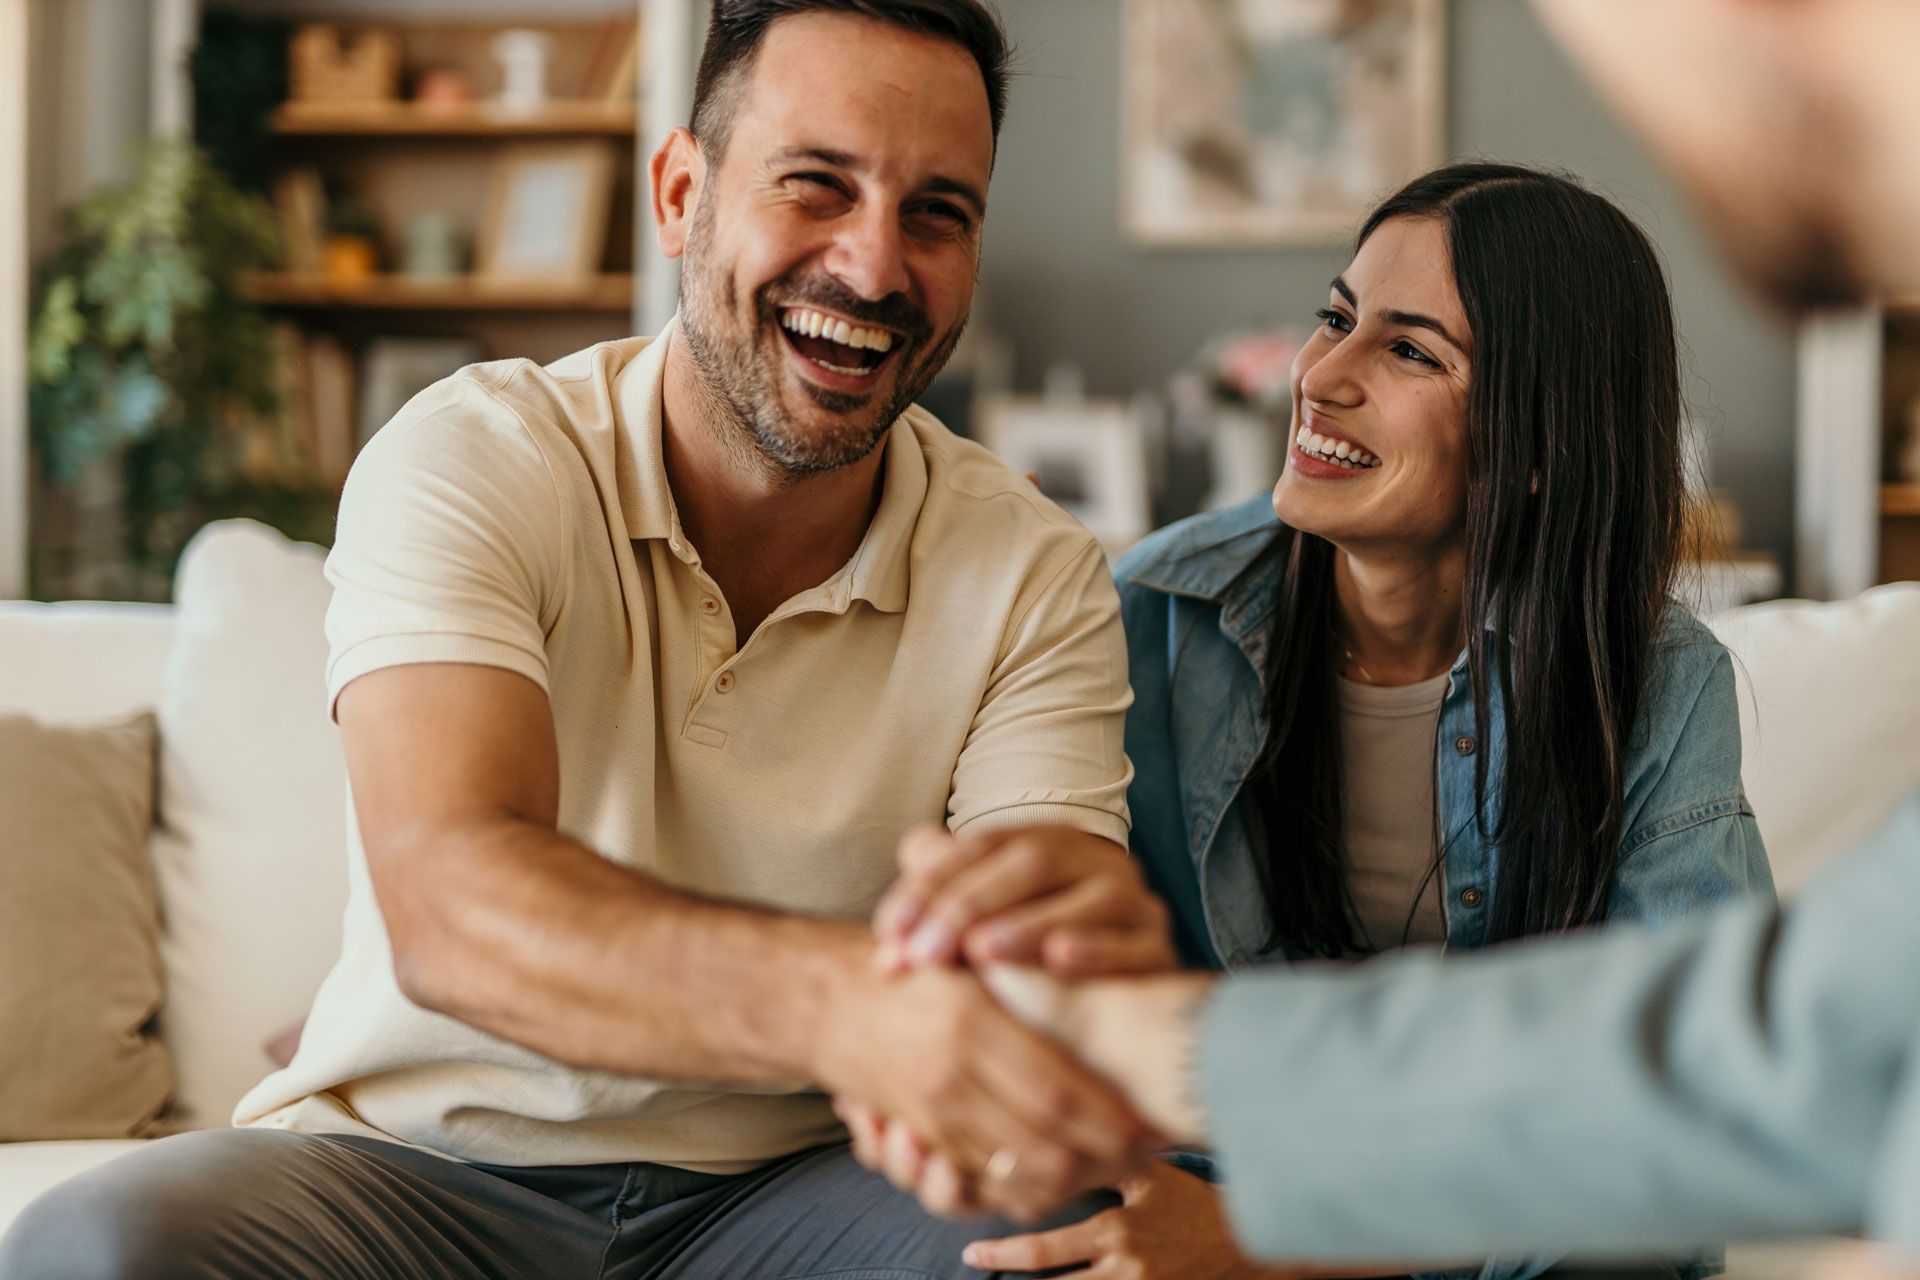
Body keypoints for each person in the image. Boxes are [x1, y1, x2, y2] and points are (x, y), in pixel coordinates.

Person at [0, 2, 1182, 1276]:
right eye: (815, 186)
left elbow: (1032, 962)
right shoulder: (473, 455)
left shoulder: (1034, 569)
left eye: (937, 212)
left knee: (1064, 1249)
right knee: (96, 1243)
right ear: (683, 193)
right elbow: (452, 900)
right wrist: (853, 1002)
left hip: (799, 1188)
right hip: (410, 1174)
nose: (877, 265)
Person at [867, 0, 1920, 1269]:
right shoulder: (1151, 615)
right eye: (1335, 313)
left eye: (1410, 348)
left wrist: (1291, 1243)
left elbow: (1690, 1108)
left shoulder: (1655, 680)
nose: (1323, 372)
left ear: (1538, 446)